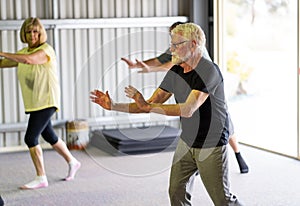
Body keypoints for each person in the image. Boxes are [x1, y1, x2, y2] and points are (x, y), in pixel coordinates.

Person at [91, 23, 243, 205]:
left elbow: (187, 109)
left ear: (193, 44)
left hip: (211, 144)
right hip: (187, 141)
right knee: (176, 191)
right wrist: (113, 106)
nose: (171, 49)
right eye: (171, 44)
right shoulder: (176, 71)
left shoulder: (208, 70)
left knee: (222, 200)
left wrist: (147, 106)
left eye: (176, 44)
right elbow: (149, 103)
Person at [121, 22, 249, 174]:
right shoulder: (176, 46)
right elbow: (160, 60)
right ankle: (195, 164)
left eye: (175, 39)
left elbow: (169, 64)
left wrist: (150, 70)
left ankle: (238, 154)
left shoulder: (194, 52)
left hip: (207, 88)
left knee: (226, 124)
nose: (172, 45)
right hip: (189, 88)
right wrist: (139, 66)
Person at [0, 17, 81, 189]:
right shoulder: (23, 53)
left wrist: (3, 52)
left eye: (35, 31)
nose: (32, 35)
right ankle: (73, 162)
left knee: (31, 137)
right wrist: (4, 58)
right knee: (49, 135)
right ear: (24, 34)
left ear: (41, 33)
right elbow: (4, 63)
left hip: (46, 101)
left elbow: (29, 60)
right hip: (35, 102)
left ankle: (41, 177)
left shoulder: (46, 50)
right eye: (28, 32)